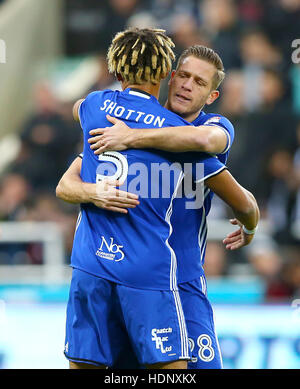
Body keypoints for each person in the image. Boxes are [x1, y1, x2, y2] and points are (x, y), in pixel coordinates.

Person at [57, 42, 260, 369]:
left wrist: (133, 136)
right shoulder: (118, 128)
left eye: (199, 82)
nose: (186, 85)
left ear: (211, 97)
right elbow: (66, 183)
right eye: (183, 75)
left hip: (183, 282)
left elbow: (208, 146)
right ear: (169, 74)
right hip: (133, 278)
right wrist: (94, 191)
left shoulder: (210, 129)